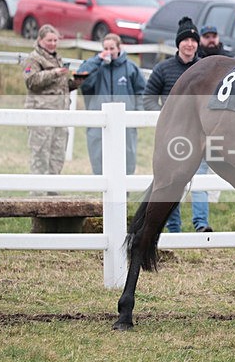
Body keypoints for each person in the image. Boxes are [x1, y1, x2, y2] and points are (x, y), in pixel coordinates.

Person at [144, 16, 213, 233]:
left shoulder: (207, 69)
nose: (190, 44)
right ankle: (174, 228)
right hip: (175, 136)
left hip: (202, 135)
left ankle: (201, 224)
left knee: (201, 179)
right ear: (178, 43)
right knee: (173, 181)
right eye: (185, 40)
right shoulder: (163, 69)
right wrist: (166, 118)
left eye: (193, 40)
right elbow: (148, 98)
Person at [74, 33, 145, 175]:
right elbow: (79, 79)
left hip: (125, 120)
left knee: (127, 154)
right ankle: (102, 188)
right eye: (105, 48)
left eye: (112, 48)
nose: (109, 51)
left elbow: (142, 92)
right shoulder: (95, 67)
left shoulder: (131, 68)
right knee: (98, 154)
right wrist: (97, 60)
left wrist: (137, 115)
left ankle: (126, 190)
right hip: (98, 119)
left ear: (119, 48)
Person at [22, 24, 79, 192]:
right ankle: (37, 196)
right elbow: (31, 81)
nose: (53, 43)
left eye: (55, 40)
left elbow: (60, 87)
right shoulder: (32, 59)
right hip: (41, 115)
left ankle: (54, 194)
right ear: (40, 40)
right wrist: (55, 73)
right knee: (40, 155)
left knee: (57, 155)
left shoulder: (57, 59)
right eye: (49, 40)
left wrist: (76, 82)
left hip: (60, 116)